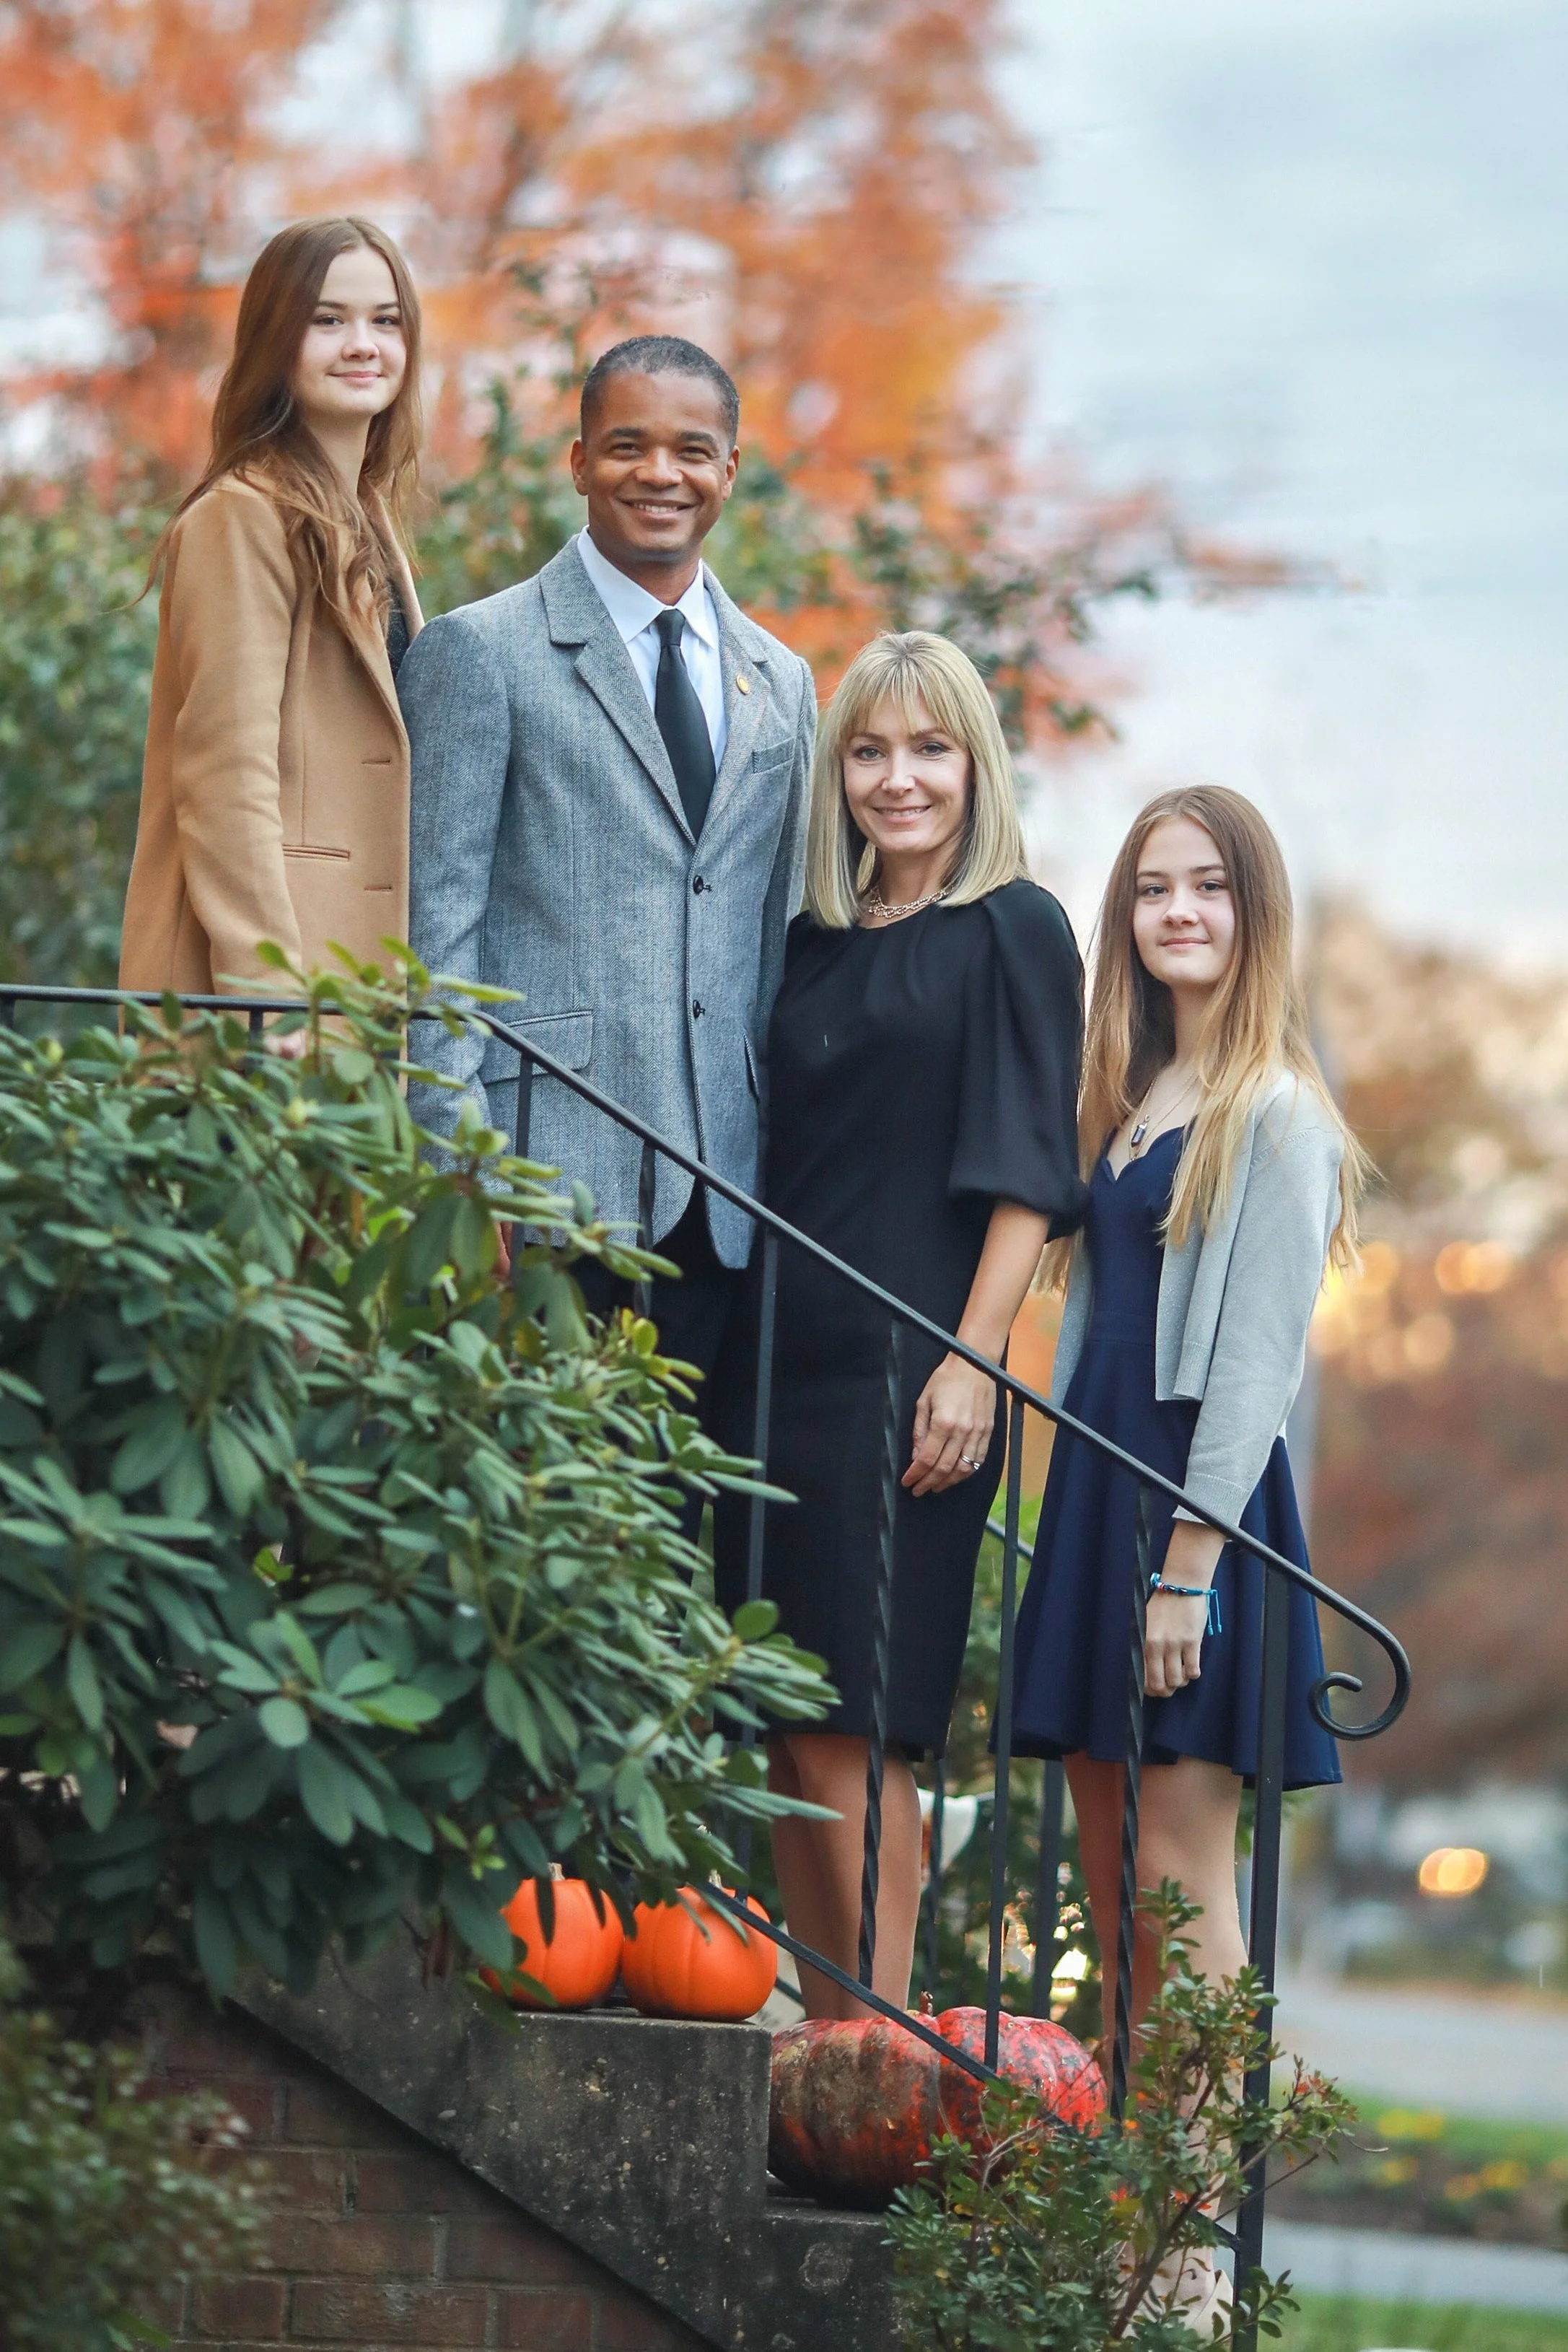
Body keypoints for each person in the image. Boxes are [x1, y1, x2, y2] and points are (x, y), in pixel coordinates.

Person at [714, 631, 1088, 2018]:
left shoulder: (1011, 926)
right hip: (771, 1366)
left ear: (972, 764)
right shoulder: (809, 933)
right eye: (868, 750)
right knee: (791, 1734)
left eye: (928, 748)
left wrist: (971, 1361)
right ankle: (817, 2036)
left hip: (910, 1371)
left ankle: (868, 2055)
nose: (897, 778)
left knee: (867, 1734)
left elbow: (1028, 1172)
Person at [1009, 784, 1366, 2049]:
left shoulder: (1273, 1114)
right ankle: (1129, 2211)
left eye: (1207, 884)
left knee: (1175, 1875)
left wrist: (1185, 1570)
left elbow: (1259, 1366)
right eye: (1154, 887)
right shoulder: (1130, 1096)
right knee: (1109, 1895)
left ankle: (1197, 2241)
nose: (1179, 909)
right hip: (1097, 1492)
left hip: (1189, 1517)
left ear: (1251, 909)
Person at [398, 335, 815, 1386]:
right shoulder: (480, 652)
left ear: (729, 467)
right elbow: (432, 930)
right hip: (543, 1186)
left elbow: (771, 936)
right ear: (579, 462)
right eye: (626, 446)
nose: (659, 473)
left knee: (689, 1541)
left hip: (726, 1201)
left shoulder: (784, 678)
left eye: (691, 449)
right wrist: (462, 1171)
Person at [120, 217, 424, 1010]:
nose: (363, 343)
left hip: (350, 986)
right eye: (328, 320)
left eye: (384, 320)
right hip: (257, 1008)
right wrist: (268, 988)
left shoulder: (367, 519)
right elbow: (224, 769)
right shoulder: (243, 516)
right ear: (274, 341)